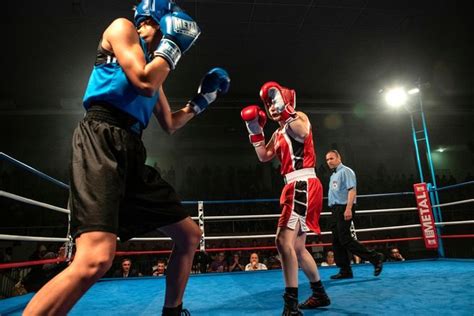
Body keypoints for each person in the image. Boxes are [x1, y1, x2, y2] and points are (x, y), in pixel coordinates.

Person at [24, 1, 230, 315]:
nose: (164, 39)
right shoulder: (122, 28)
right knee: (95, 259)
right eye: (166, 32)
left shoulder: (152, 65)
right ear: (160, 21)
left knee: (189, 236)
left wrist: (201, 101)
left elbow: (170, 123)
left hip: (131, 149)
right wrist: (174, 46)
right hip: (101, 137)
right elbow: (145, 83)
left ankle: (172, 311)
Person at [241, 81, 330, 315]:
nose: (270, 106)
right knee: (298, 248)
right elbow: (264, 156)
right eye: (268, 103)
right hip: (295, 185)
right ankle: (319, 293)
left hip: (303, 183)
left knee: (283, 242)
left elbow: (302, 131)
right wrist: (254, 129)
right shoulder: (278, 132)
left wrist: (284, 108)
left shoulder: (299, 117)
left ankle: (290, 305)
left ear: (286, 98)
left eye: (274, 100)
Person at [325, 150, 384, 280]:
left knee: (345, 239)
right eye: (327, 159)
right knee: (336, 241)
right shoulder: (333, 175)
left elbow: (352, 190)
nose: (329, 161)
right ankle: (345, 270)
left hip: (344, 207)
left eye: (331, 158)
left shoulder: (346, 171)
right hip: (335, 209)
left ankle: (375, 257)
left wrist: (348, 208)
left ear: (339, 158)